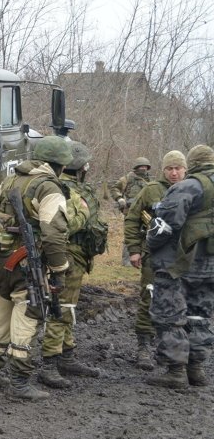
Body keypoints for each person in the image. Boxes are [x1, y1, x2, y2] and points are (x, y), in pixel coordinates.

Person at [0, 135, 72, 401]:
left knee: (0, 314)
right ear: (61, 165)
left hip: (0, 262)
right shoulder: (48, 188)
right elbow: (53, 235)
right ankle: (19, 384)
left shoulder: (10, 179)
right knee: (28, 316)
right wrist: (59, 268)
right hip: (26, 266)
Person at [145, 144, 214, 389]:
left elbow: (164, 225)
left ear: (192, 164)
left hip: (179, 263)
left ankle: (176, 372)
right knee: (200, 315)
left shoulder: (189, 186)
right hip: (209, 266)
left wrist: (150, 245)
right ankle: (196, 370)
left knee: (169, 314)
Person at [38, 141, 105, 389]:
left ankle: (67, 355)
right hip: (67, 257)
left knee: (68, 308)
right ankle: (49, 364)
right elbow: (63, 227)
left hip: (76, 257)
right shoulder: (64, 191)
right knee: (61, 308)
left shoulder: (68, 188)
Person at [123, 150, 187, 371]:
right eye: (170, 168)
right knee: (149, 298)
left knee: (179, 302)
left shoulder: (193, 190)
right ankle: (144, 347)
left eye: (178, 168)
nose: (174, 173)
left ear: (185, 169)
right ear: (163, 170)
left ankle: (169, 349)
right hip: (154, 255)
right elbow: (132, 218)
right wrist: (134, 250)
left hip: (184, 257)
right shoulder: (152, 190)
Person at [112, 157, 153, 265]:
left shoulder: (150, 180)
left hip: (146, 212)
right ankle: (127, 261)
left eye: (145, 166)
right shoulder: (127, 178)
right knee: (130, 236)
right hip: (131, 212)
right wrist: (120, 198)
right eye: (141, 166)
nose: (143, 168)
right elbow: (115, 188)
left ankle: (143, 259)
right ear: (136, 167)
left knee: (146, 235)